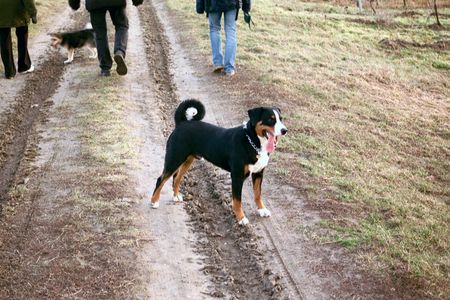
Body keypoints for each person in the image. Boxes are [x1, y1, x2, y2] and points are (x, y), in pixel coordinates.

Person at [69, 0, 144, 76]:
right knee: (122, 26)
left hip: (95, 3)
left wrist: (74, 3)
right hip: (116, 2)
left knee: (99, 33)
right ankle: (119, 51)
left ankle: (105, 69)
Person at [196, 0, 251, 76]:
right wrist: (246, 7)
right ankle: (229, 68)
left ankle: (218, 63)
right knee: (230, 31)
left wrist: (200, 6)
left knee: (214, 29)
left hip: (212, 3)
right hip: (232, 3)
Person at [0, 0, 37, 79]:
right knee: (22, 37)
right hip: (19, 12)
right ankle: (24, 66)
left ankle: (9, 72)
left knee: (4, 41)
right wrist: (33, 13)